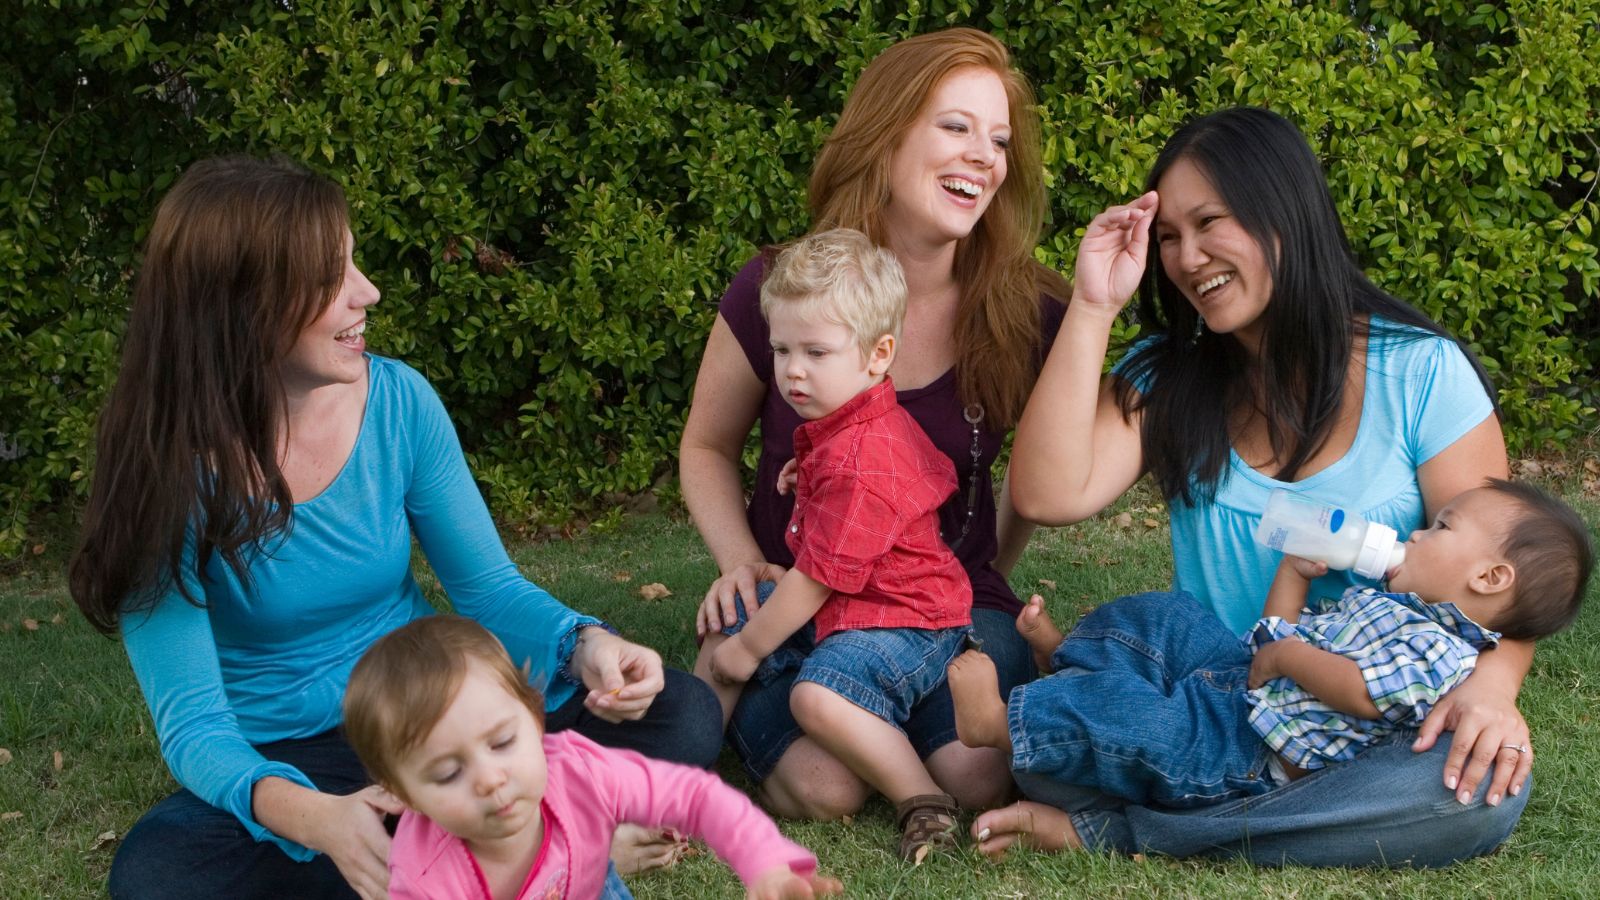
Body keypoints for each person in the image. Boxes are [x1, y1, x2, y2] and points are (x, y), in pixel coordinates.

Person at [67, 155, 721, 900]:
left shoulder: (400, 402)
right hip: (297, 763)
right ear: (242, 307)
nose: (367, 293)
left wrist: (588, 646)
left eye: (355, 263)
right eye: (330, 278)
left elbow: (489, 589)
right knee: (157, 877)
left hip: (433, 715)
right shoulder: (166, 472)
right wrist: (320, 820)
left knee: (681, 713)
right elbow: (196, 729)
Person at [993, 105, 1538, 866]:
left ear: (1281, 213)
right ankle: (1254, 809)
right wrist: (1093, 304)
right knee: (1072, 728)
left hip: (1359, 723)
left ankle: (1135, 829)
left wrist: (1495, 687)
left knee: (1476, 793)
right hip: (1208, 697)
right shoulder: (1169, 379)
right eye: (1171, 238)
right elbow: (1047, 494)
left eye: (1209, 222)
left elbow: (1501, 572)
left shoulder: (1420, 373)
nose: (1186, 258)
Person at [680, 26, 1070, 822]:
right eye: (955, 127)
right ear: (887, 133)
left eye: (997, 140)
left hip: (941, 606)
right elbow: (706, 446)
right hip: (798, 597)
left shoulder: (1027, 307)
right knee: (826, 789)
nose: (984, 156)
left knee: (973, 777)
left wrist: (986, 556)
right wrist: (739, 562)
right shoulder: (785, 287)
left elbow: (1050, 475)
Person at [949, 479, 1592, 812]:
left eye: (1441, 528)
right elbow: (1274, 636)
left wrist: (1287, 659)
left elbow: (1364, 694)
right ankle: (1067, 655)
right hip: (1244, 689)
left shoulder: (1445, 654)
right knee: (1172, 618)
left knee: (1140, 721)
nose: (1416, 535)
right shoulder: (1392, 608)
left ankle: (998, 723)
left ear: (1489, 578)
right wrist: (1290, 578)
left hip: (1248, 748)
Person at [695, 228, 975, 861]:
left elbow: (818, 576)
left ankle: (923, 801)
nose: (793, 370)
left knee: (813, 692)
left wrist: (748, 651)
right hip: (858, 606)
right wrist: (809, 476)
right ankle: (684, 764)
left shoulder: (860, 456)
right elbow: (902, 474)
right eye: (782, 349)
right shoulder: (850, 421)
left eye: (816, 352)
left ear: (878, 356)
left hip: (902, 620)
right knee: (732, 609)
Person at [342, 615, 842, 900]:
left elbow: (696, 796)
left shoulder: (575, 770)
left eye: (502, 743)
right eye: (449, 772)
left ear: (536, 718)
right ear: (403, 795)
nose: (491, 779)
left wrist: (767, 865)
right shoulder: (424, 878)